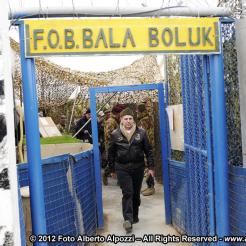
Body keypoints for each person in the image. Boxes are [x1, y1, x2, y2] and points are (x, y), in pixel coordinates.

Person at [108, 107, 154, 233]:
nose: (128, 121)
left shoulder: (142, 133)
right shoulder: (115, 134)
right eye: (125, 119)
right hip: (122, 168)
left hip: (138, 167)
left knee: (135, 194)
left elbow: (148, 151)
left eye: (130, 119)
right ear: (121, 120)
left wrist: (151, 167)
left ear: (133, 120)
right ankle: (127, 220)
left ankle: (134, 215)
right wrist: (112, 169)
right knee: (127, 192)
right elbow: (111, 153)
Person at [103, 104, 125, 185]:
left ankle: (120, 180)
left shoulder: (115, 120)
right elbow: (109, 134)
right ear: (117, 112)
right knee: (114, 162)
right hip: (112, 146)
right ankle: (106, 173)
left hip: (116, 145)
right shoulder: (111, 121)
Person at [137, 103, 155, 196]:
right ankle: (149, 186)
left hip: (146, 146)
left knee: (148, 166)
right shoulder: (149, 118)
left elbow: (141, 135)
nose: (136, 112)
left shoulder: (143, 121)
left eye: (137, 111)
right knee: (149, 165)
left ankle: (151, 187)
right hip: (150, 145)